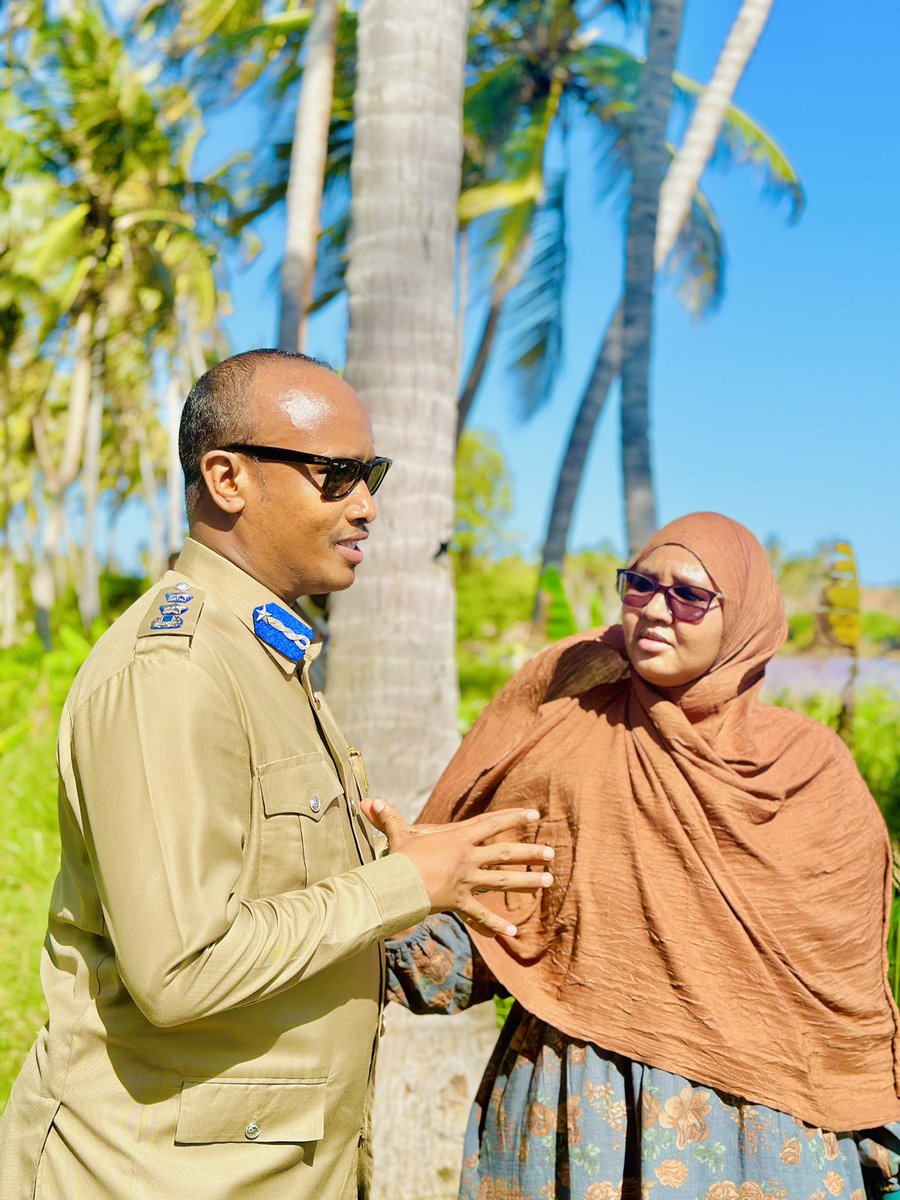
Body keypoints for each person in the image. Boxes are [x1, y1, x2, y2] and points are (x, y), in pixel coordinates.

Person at [0, 348, 555, 1200]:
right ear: (227, 477)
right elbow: (180, 970)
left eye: (371, 474)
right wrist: (404, 883)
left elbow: (268, 898)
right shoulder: (175, 672)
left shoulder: (267, 659)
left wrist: (398, 875)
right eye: (336, 476)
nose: (366, 505)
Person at [379, 511, 900, 1199]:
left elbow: (845, 987)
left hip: (761, 1141)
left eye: (688, 595)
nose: (655, 609)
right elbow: (485, 920)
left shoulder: (811, 773)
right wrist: (378, 902)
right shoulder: (572, 738)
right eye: (640, 584)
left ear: (743, 618)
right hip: (579, 1115)